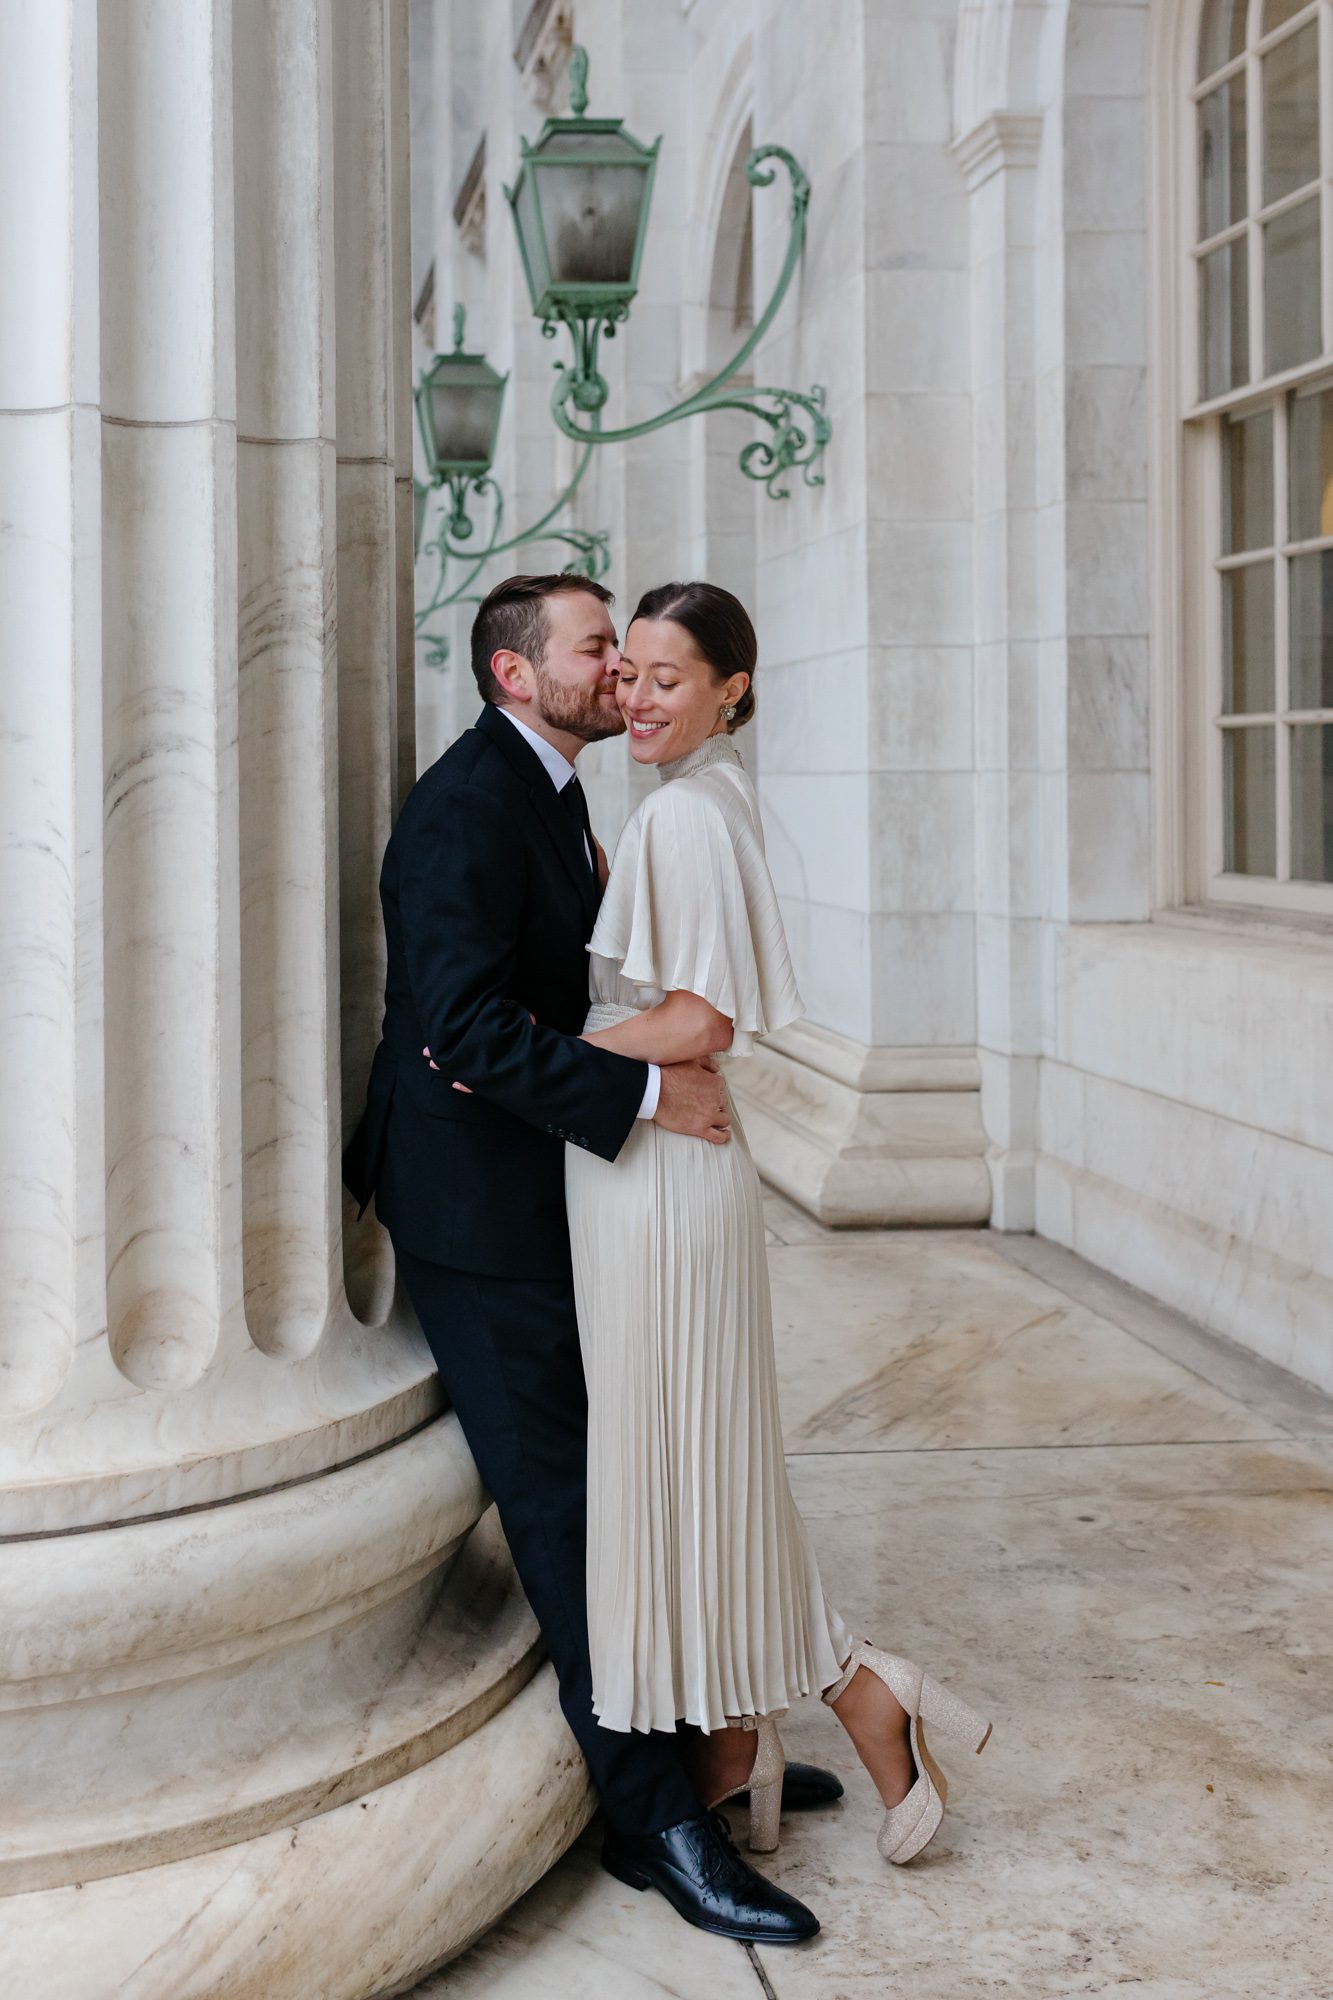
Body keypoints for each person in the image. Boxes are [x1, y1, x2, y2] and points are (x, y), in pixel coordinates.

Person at [343, 572, 841, 1948]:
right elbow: (462, 1031)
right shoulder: (463, 808)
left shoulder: (563, 789)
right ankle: (651, 1822)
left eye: (629, 651)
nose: (616, 668)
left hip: (547, 1188)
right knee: (563, 1510)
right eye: (593, 648)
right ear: (517, 675)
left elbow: (557, 999)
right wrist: (640, 1095)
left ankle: (691, 1749)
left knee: (619, 1484)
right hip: (472, 1216)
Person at [565, 581, 992, 1873]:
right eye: (627, 673)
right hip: (665, 1171)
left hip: (655, 1175)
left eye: (668, 677)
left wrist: (532, 1055)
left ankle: (855, 1686)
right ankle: (746, 1739)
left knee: (684, 1469)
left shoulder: (683, 820)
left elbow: (699, 1023)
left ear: (730, 689)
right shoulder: (699, 799)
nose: (638, 698)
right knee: (699, 1472)